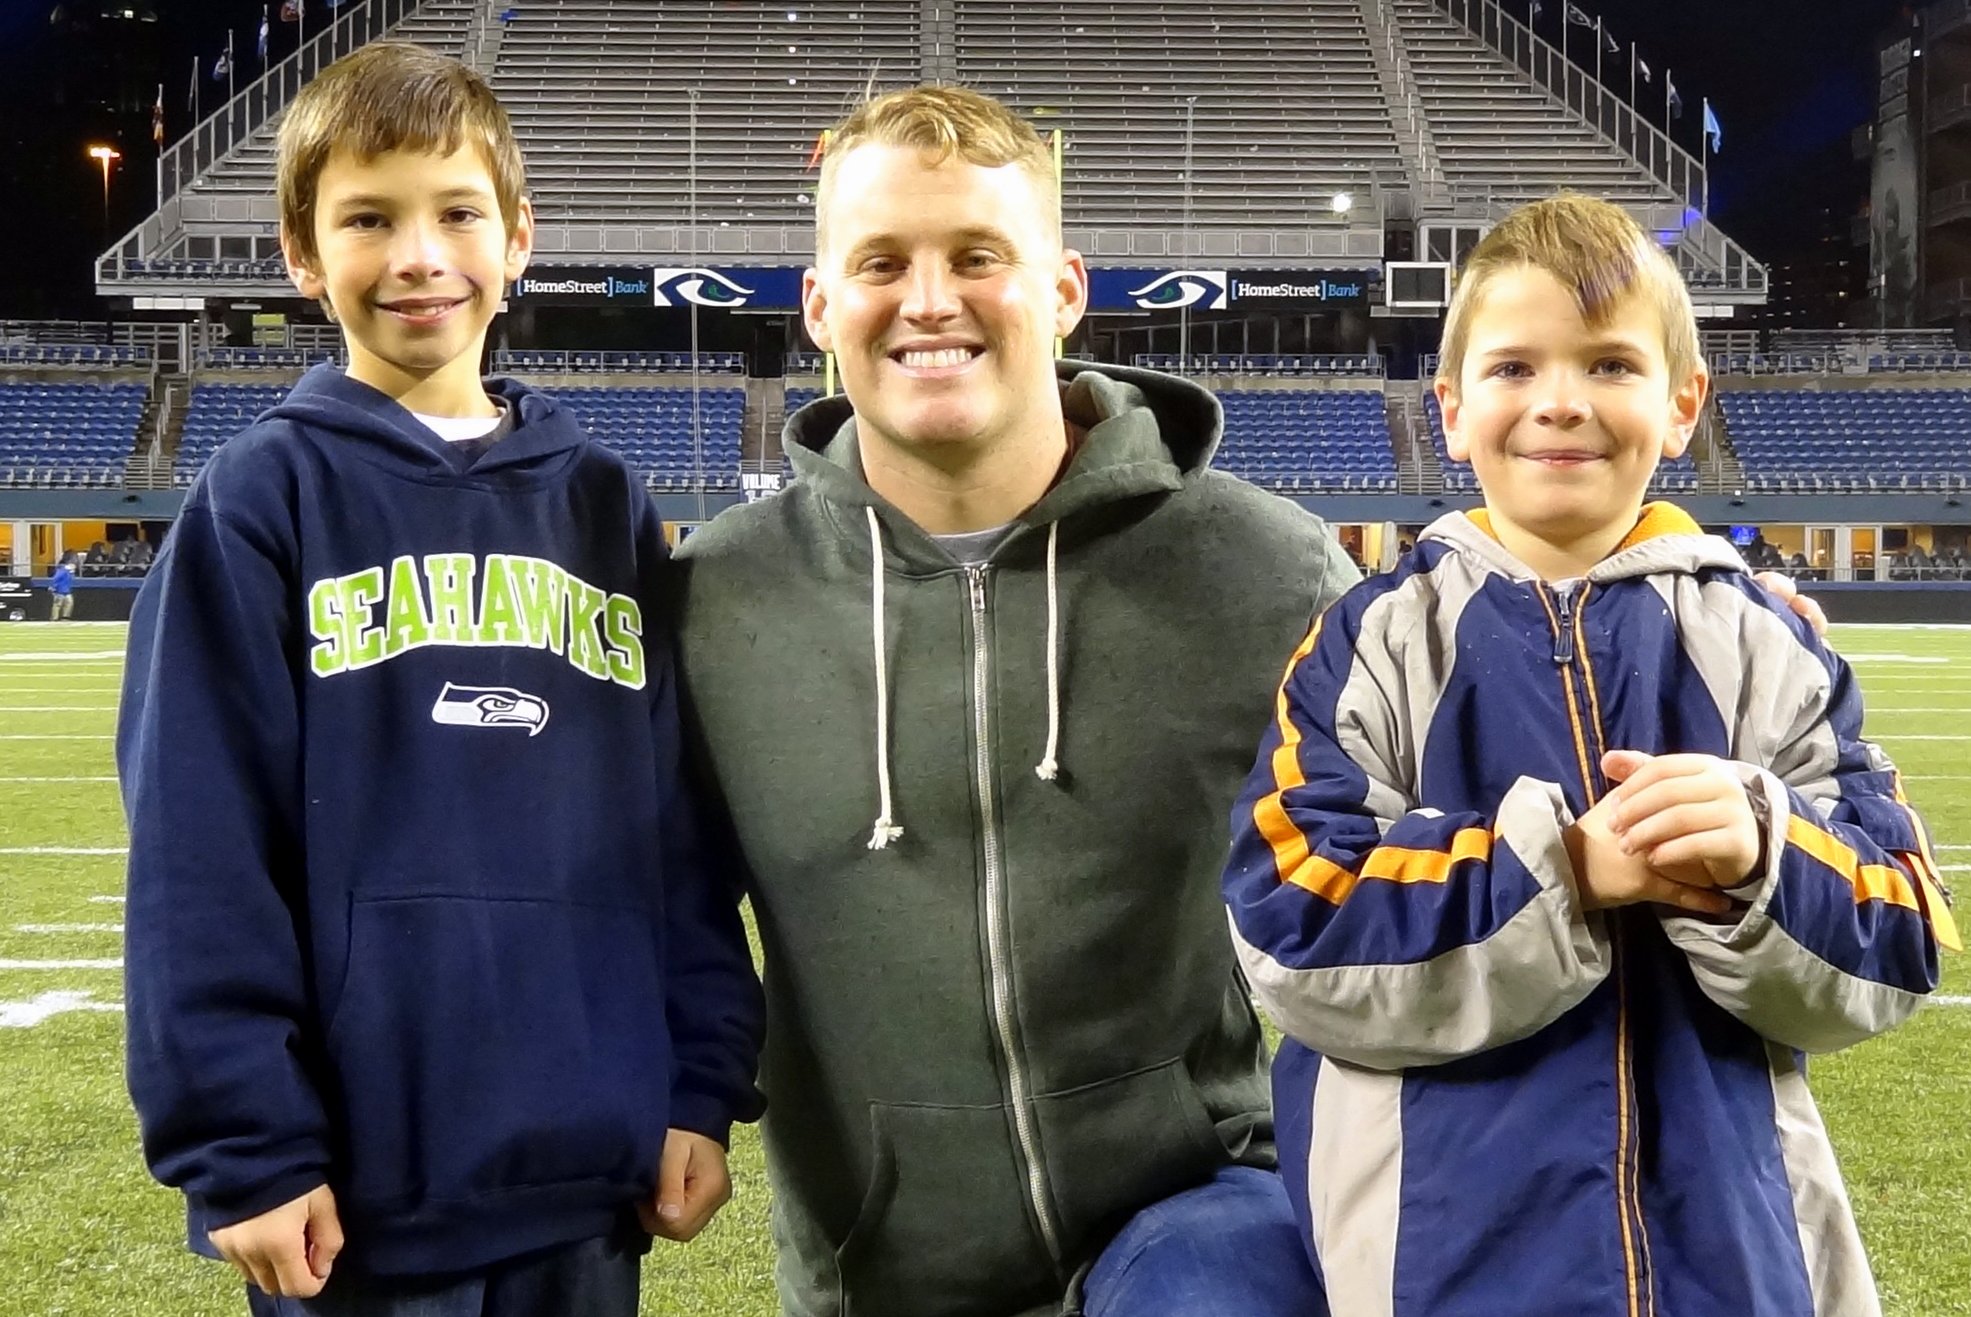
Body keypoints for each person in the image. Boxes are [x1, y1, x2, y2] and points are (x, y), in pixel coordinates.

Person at [664, 84, 1356, 1317]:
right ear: (820, 306)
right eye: (883, 261)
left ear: (1065, 288)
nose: (930, 301)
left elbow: (1447, 797)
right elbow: (653, 910)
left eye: (979, 255)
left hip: (1201, 1216)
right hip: (879, 1268)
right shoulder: (721, 599)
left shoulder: (1270, 570)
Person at [1222, 193, 1958, 1317]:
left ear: (1681, 405)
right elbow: (1293, 926)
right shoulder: (1365, 645)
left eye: (1610, 365)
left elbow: (1901, 937)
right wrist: (1561, 870)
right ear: (1453, 408)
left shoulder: (1766, 644)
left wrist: (1764, 855)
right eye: (1515, 368)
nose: (1560, 403)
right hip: (1433, 1267)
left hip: (1735, 1260)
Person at [116, 42, 763, 1317]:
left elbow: (680, 835)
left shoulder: (603, 504)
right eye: (369, 218)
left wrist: (698, 1083)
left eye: (457, 212)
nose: (419, 255)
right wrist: (243, 1145)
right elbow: (200, 844)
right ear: (305, 257)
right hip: (358, 1194)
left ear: (516, 237)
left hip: (590, 1172)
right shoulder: (263, 499)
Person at [49, 554, 74, 620]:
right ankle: (54, 618)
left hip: (66, 590)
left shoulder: (68, 572)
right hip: (59, 591)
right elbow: (56, 579)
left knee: (69, 603)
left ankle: (65, 617)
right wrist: (53, 587)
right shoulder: (62, 570)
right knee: (58, 604)